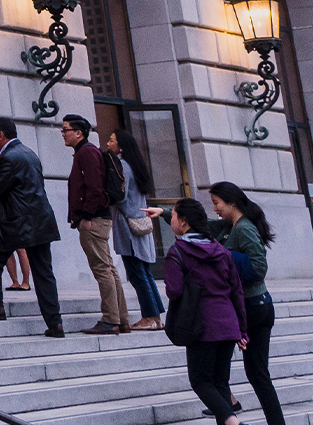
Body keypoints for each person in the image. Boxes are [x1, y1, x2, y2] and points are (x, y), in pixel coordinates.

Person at [160, 197, 248, 425]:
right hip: (228, 324)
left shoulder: (178, 252)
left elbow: (175, 291)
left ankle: (233, 422)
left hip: (201, 326)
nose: (171, 220)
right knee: (220, 383)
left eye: (172, 216)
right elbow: (236, 291)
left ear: (184, 221)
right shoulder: (221, 251)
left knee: (201, 382)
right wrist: (242, 329)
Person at [0, 118, 65, 337]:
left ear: (0, 135)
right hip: (41, 220)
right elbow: (16, 183)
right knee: (44, 273)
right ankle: (55, 323)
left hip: (16, 223)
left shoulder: (8, 157)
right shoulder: (28, 153)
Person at [207, 182, 284, 425]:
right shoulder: (230, 226)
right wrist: (167, 214)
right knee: (255, 374)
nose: (215, 209)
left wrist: (227, 262)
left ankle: (228, 407)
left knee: (247, 373)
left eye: (217, 203)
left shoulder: (244, 229)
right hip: (252, 305)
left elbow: (259, 267)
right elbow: (202, 225)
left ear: (231, 203)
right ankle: (230, 405)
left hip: (253, 306)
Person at [63, 115, 127, 335]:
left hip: (94, 219)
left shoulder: (87, 153)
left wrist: (87, 215)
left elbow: (95, 187)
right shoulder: (86, 152)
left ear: (78, 132)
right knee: (108, 268)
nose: (63, 134)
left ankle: (111, 320)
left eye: (65, 130)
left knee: (102, 270)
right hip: (98, 217)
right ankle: (121, 319)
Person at [108, 132, 164, 330]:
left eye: (112, 140)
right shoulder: (137, 166)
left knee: (136, 274)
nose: (108, 144)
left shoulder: (122, 166)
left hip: (128, 226)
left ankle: (149, 317)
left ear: (121, 146)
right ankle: (156, 317)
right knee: (145, 273)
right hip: (141, 224)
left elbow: (121, 197)